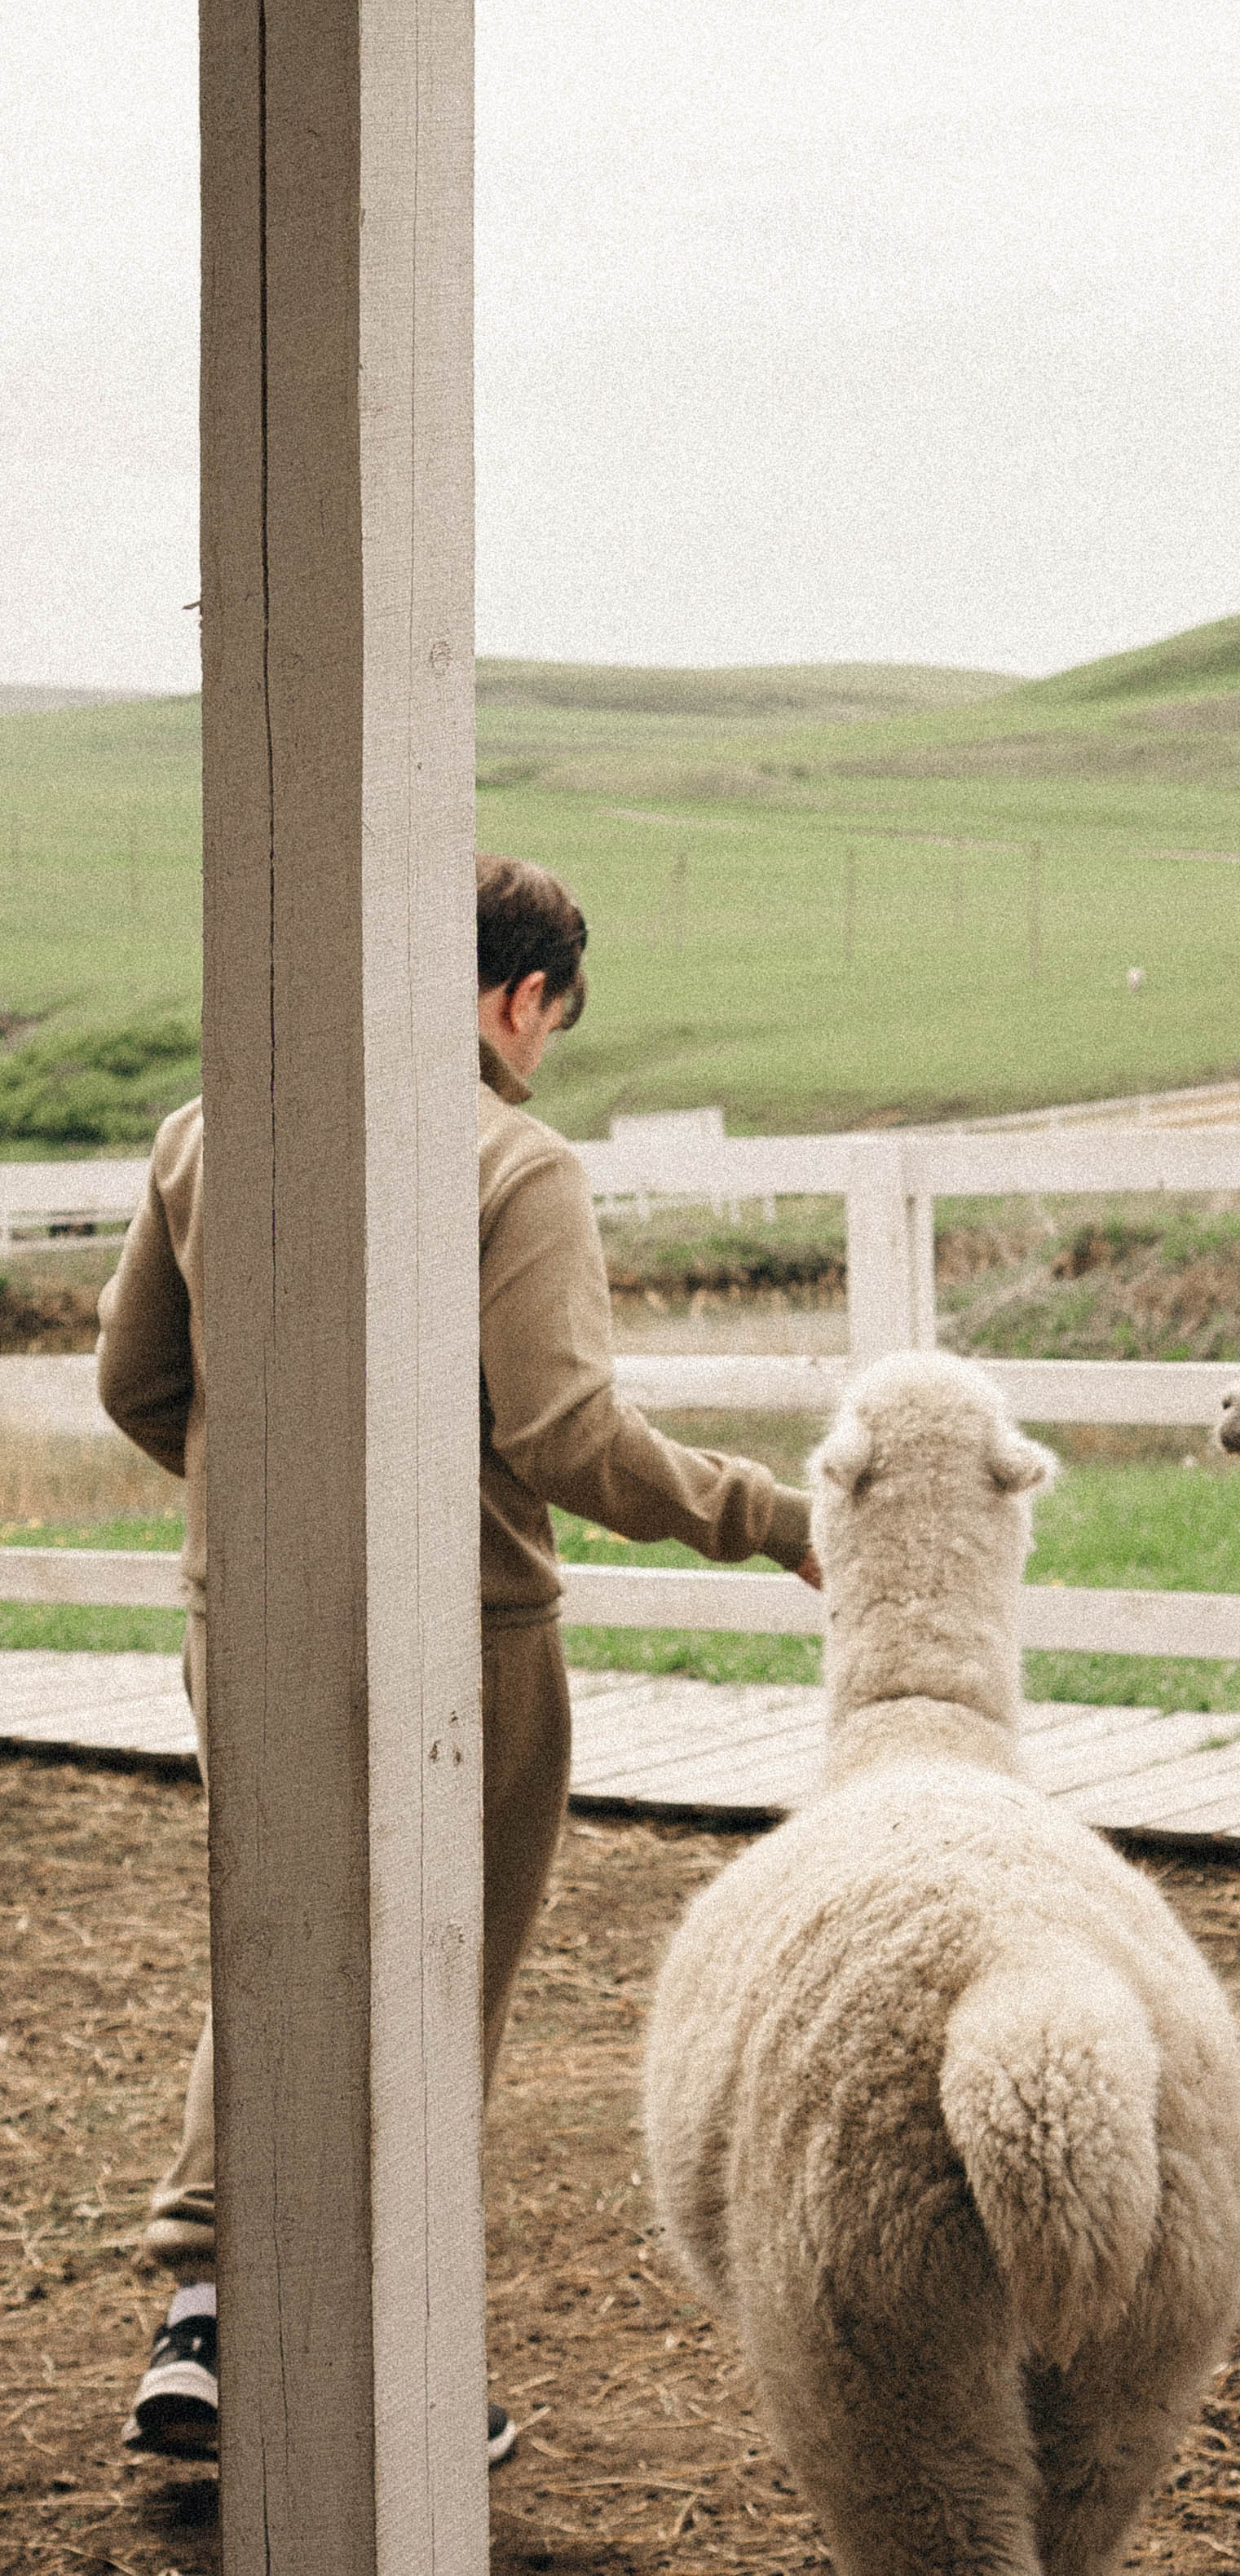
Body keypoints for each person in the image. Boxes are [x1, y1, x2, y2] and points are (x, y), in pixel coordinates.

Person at [99, 852, 820, 2466]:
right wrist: (756, 1513)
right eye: (548, 1022)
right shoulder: (511, 1159)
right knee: (435, 1979)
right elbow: (564, 1433)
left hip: (245, 1619)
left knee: (271, 1939)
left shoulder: (209, 1133)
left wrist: (268, 1520)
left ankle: (206, 2320)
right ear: (519, 995)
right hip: (465, 1638)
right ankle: (403, 2357)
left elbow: (139, 1388)